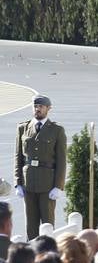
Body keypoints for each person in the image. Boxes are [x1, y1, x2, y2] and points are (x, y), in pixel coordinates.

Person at [13, 93, 67, 240]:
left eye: (41, 106)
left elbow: (62, 160)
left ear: (48, 108)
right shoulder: (23, 128)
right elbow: (18, 157)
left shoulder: (56, 130)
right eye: (35, 106)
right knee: (31, 225)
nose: (37, 109)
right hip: (28, 182)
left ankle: (48, 254)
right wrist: (18, 182)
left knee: (47, 224)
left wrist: (58, 186)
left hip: (47, 184)